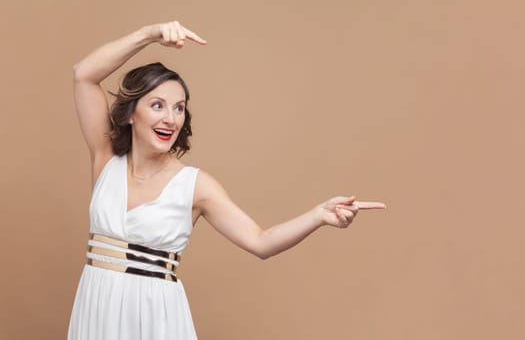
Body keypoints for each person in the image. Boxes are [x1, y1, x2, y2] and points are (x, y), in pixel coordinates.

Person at [67, 20, 386, 340]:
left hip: (156, 321)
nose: (170, 118)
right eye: (157, 105)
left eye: (179, 108)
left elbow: (260, 242)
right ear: (131, 113)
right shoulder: (106, 159)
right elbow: (84, 74)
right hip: (96, 312)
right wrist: (148, 35)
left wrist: (318, 216)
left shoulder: (194, 185)